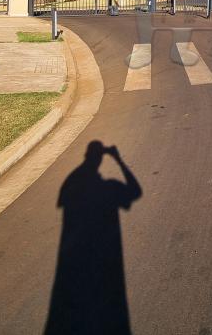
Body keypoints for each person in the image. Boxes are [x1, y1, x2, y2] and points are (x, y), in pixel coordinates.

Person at [46, 141, 142, 335]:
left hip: (74, 259)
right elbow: (135, 191)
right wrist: (118, 160)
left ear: (87, 156)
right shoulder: (108, 187)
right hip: (105, 256)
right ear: (100, 159)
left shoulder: (69, 182)